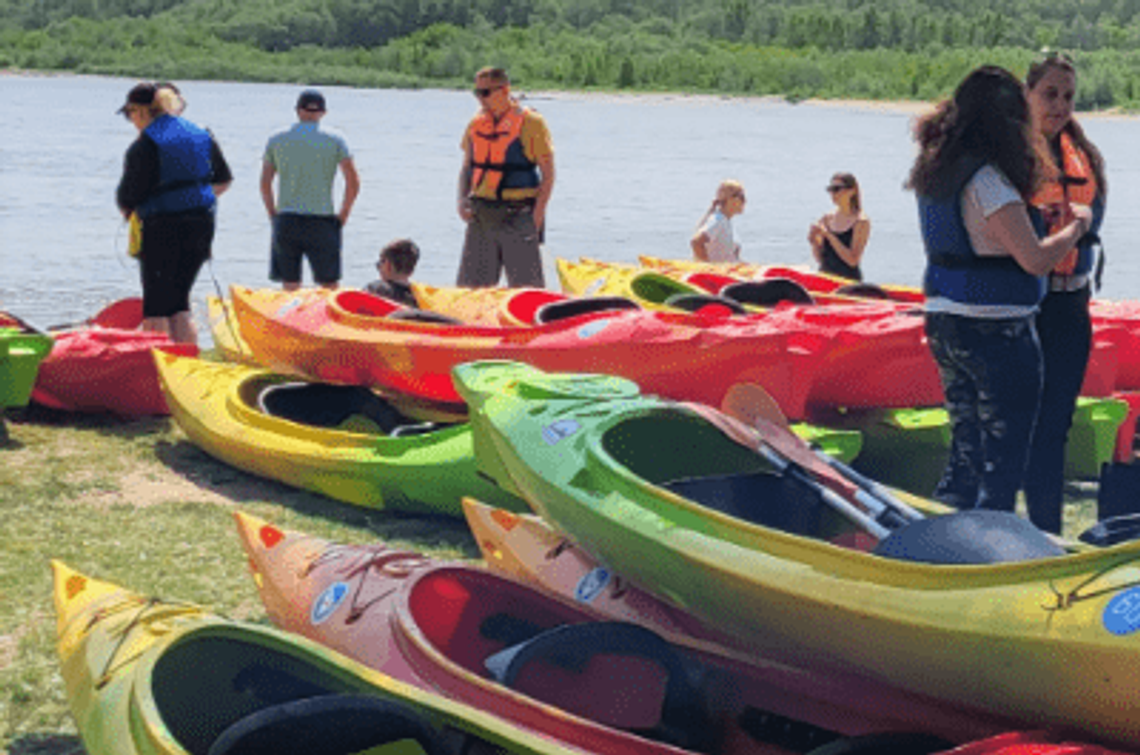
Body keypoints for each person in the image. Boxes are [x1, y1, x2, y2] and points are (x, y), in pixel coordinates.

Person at [907, 65, 1092, 516]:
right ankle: (992, 550)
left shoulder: (936, 172)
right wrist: (1075, 228)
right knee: (1001, 464)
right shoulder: (988, 181)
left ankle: (950, 542)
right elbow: (1034, 259)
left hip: (945, 324)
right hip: (996, 333)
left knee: (965, 452)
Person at [1022, 53, 1108, 534]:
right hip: (1024, 309)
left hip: (1071, 308)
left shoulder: (1084, 157)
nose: (1060, 105)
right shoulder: (1012, 155)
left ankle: (1046, 533)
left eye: (1068, 96)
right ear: (1028, 95)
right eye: (1050, 94)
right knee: (1019, 430)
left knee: (1055, 428)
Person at [116, 82, 232, 346]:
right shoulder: (202, 134)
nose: (130, 120)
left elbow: (127, 198)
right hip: (202, 226)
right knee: (179, 303)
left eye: (129, 114)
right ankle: (188, 366)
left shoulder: (144, 146)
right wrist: (192, 202)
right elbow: (223, 181)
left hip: (162, 228)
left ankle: (157, 372)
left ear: (142, 111)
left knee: (156, 306)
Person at [456, 67, 555, 288]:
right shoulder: (476, 123)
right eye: (477, 92)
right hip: (481, 214)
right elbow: (466, 168)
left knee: (526, 290)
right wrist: (461, 200)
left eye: (486, 92)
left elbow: (548, 175)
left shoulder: (531, 123)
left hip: (519, 215)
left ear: (505, 90)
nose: (480, 99)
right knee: (471, 291)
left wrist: (537, 217)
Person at [261, 89, 360, 291]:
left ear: (298, 110)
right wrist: (343, 214)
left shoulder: (277, 139)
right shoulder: (336, 139)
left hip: (287, 218)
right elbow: (353, 182)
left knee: (290, 283)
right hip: (322, 220)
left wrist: (273, 214)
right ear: (323, 112)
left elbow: (265, 182)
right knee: (329, 283)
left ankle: (289, 320)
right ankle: (330, 321)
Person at [808, 172, 870, 281]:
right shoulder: (827, 219)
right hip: (825, 278)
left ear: (852, 191)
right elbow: (822, 259)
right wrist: (814, 242)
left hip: (848, 282)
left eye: (837, 189)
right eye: (830, 189)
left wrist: (829, 235)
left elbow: (853, 260)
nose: (833, 194)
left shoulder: (861, 222)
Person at [691, 180, 746, 263]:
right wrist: (709, 268)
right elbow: (696, 242)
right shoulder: (718, 220)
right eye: (741, 197)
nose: (744, 201)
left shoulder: (725, 221)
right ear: (730, 199)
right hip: (717, 273)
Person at [366, 238, 420, 308]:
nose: (378, 267)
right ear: (412, 270)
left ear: (388, 266)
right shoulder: (419, 297)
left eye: (379, 264)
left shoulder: (375, 290)